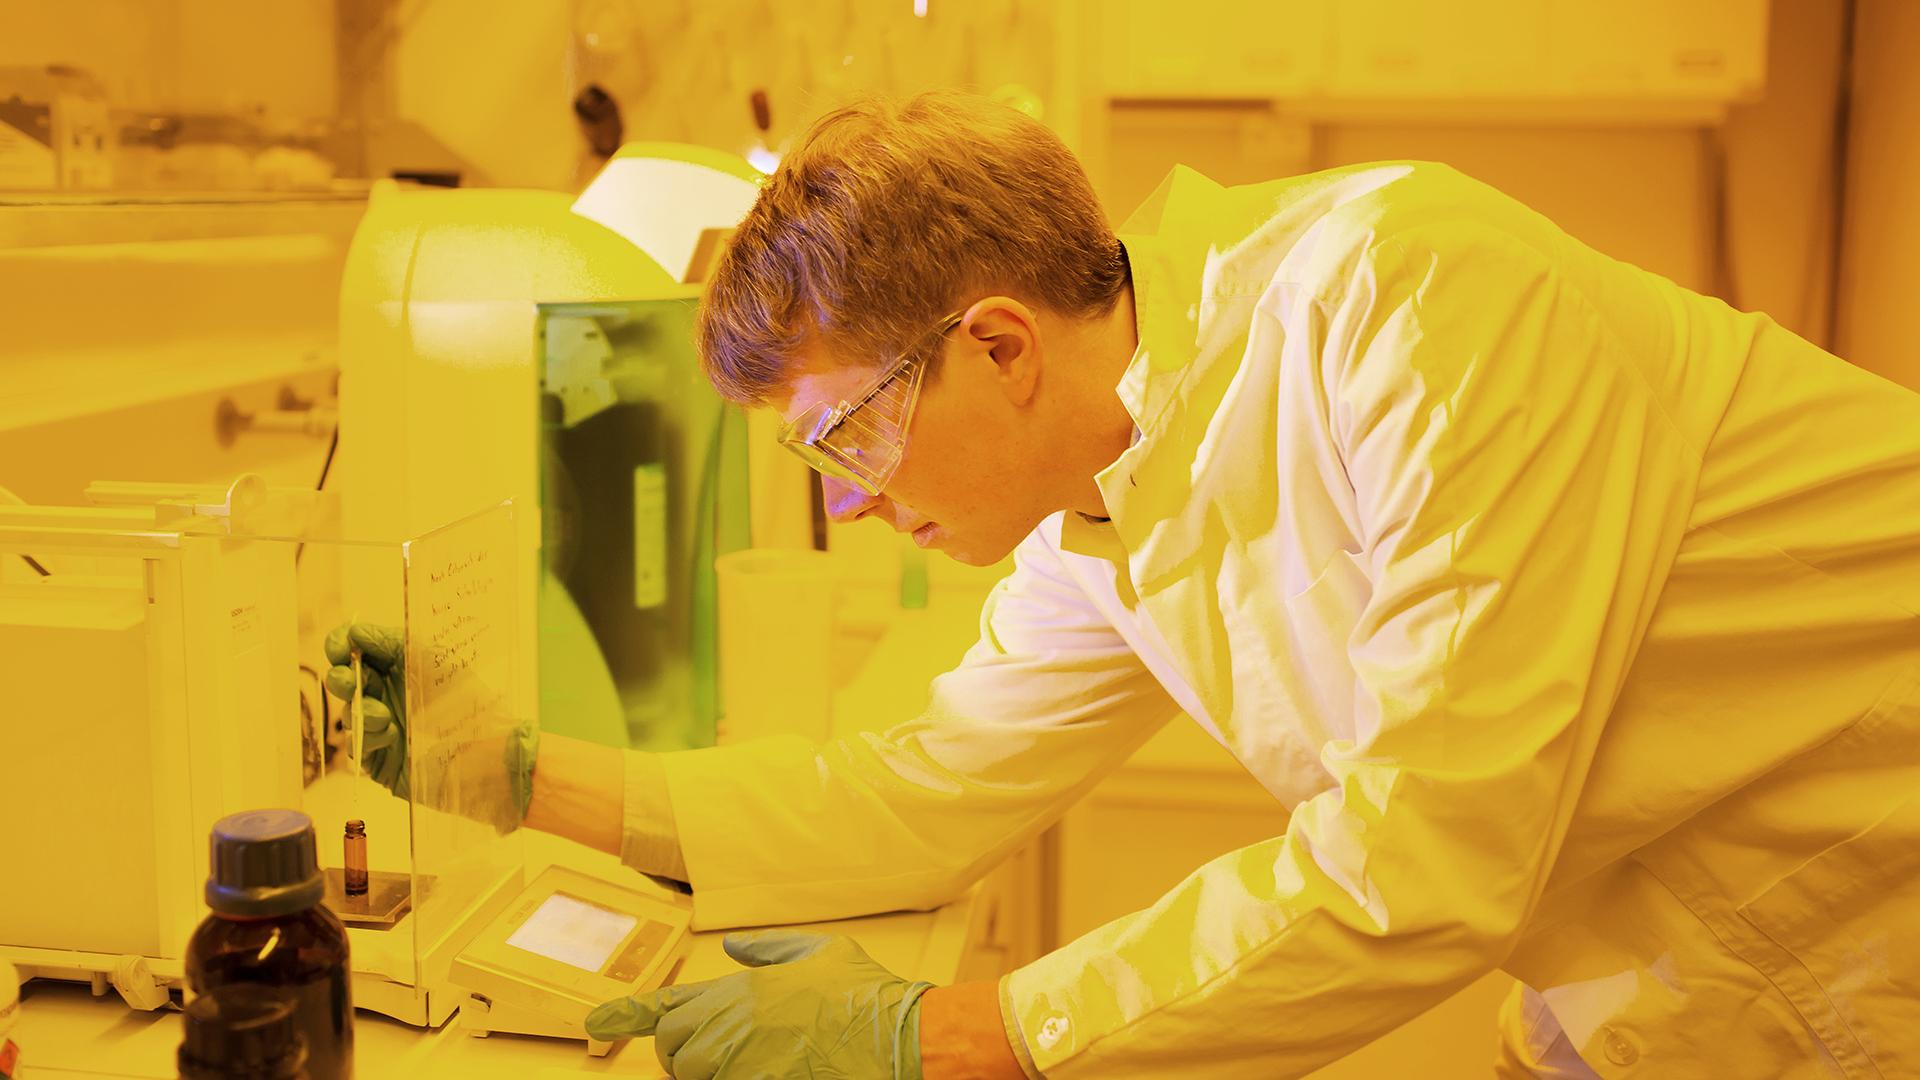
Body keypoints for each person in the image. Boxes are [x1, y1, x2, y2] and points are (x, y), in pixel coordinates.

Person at [333, 91, 1920, 1078]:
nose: (848, 501)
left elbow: (1429, 849)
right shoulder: (1104, 507)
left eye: (841, 436)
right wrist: (525, 777)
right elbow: (916, 796)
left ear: (1001, 346)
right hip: (1674, 987)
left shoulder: (1414, 300)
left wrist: (945, 1034)